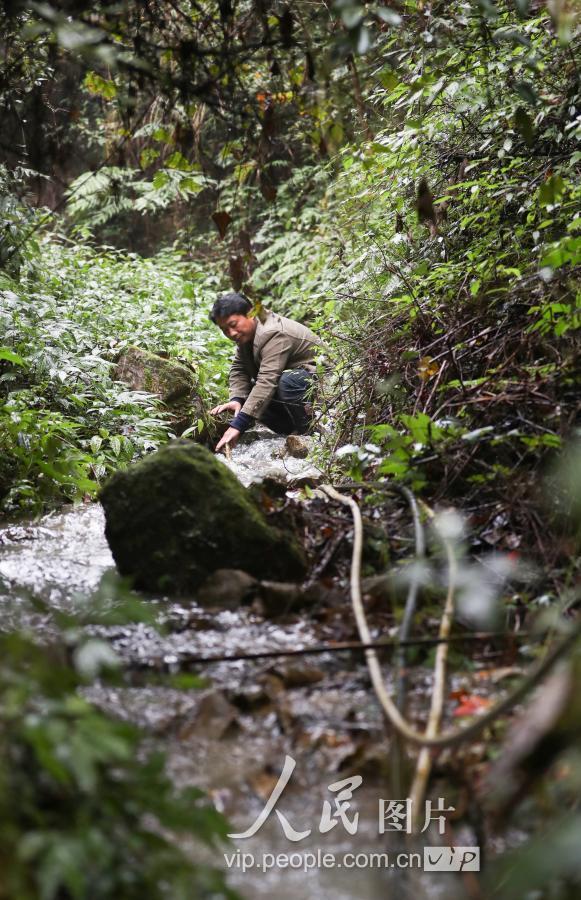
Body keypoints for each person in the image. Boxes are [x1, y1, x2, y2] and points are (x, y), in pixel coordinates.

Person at [209, 292, 321, 453]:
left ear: (250, 313)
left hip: (325, 386)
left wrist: (238, 425)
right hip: (298, 387)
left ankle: (310, 437)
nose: (231, 333)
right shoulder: (249, 332)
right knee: (252, 400)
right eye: (225, 329)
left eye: (233, 325)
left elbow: (267, 381)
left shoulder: (272, 332)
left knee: (286, 382)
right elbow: (239, 368)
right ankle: (291, 434)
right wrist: (237, 399)